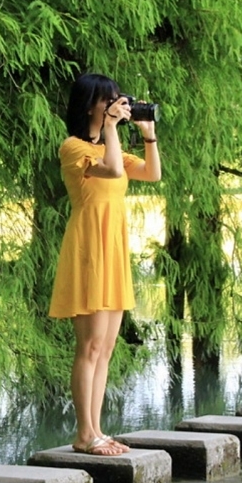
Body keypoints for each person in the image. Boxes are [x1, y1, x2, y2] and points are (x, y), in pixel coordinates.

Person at [48, 73, 162, 455]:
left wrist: (147, 133)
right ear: (89, 105)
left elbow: (151, 173)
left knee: (107, 347)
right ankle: (85, 435)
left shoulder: (108, 146)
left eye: (119, 99)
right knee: (90, 347)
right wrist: (112, 129)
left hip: (113, 249)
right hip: (88, 249)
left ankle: (97, 430)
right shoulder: (73, 148)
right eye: (108, 100)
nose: (117, 104)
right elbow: (112, 170)